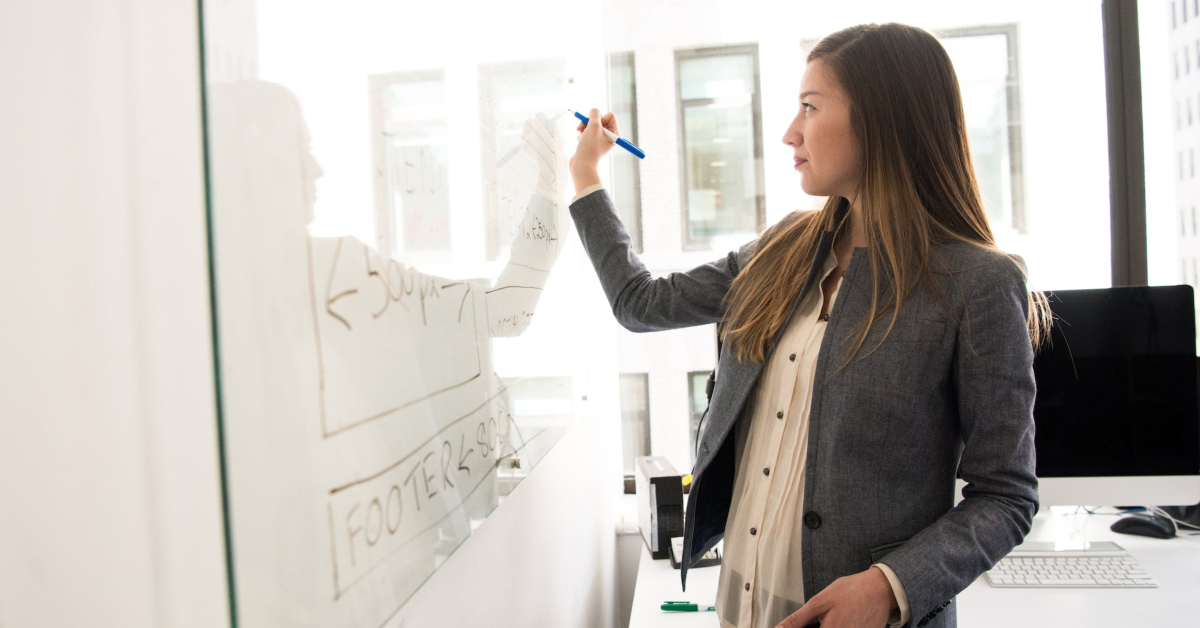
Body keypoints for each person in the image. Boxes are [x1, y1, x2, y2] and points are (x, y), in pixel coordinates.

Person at [568, 23, 1050, 628]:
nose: (789, 132)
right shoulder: (782, 249)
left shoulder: (976, 283)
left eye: (809, 107)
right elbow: (639, 303)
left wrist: (889, 587)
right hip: (740, 604)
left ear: (882, 120)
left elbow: (1005, 496)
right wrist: (587, 177)